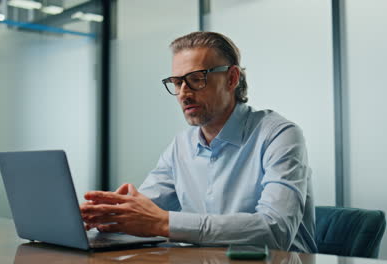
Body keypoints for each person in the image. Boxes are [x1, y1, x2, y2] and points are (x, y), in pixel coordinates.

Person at [81, 31, 317, 253]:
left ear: (232, 78)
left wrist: (164, 223)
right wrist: (108, 215)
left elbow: (275, 231)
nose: (184, 92)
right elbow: (145, 212)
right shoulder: (180, 145)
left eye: (196, 79)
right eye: (177, 82)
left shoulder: (280, 135)